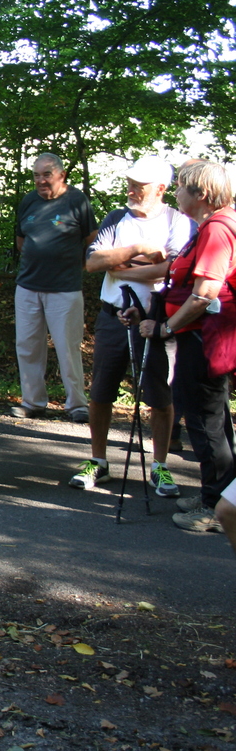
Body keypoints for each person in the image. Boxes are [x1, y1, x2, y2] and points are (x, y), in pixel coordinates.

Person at [70, 157, 192, 494]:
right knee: (101, 392)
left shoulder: (177, 222)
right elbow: (94, 262)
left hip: (156, 320)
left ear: (160, 189)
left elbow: (171, 270)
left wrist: (121, 266)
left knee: (159, 395)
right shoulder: (116, 218)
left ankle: (160, 466)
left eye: (139, 186)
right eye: (130, 183)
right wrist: (138, 250)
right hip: (112, 316)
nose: (132, 190)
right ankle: (98, 461)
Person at [134, 161, 236, 533]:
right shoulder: (213, 225)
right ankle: (217, 495)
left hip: (206, 338)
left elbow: (204, 293)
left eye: (180, 187)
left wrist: (165, 327)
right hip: (204, 337)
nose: (175, 193)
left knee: (205, 422)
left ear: (201, 194)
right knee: (211, 419)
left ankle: (215, 508)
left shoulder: (218, 229)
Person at [12, 153, 97, 422]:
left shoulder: (77, 201)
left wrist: (73, 267)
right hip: (28, 286)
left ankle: (77, 404)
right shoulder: (29, 201)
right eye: (36, 175)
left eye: (46, 174)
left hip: (65, 289)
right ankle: (33, 402)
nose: (41, 180)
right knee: (27, 346)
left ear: (61, 175)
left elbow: (93, 242)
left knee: (67, 348)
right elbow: (21, 241)